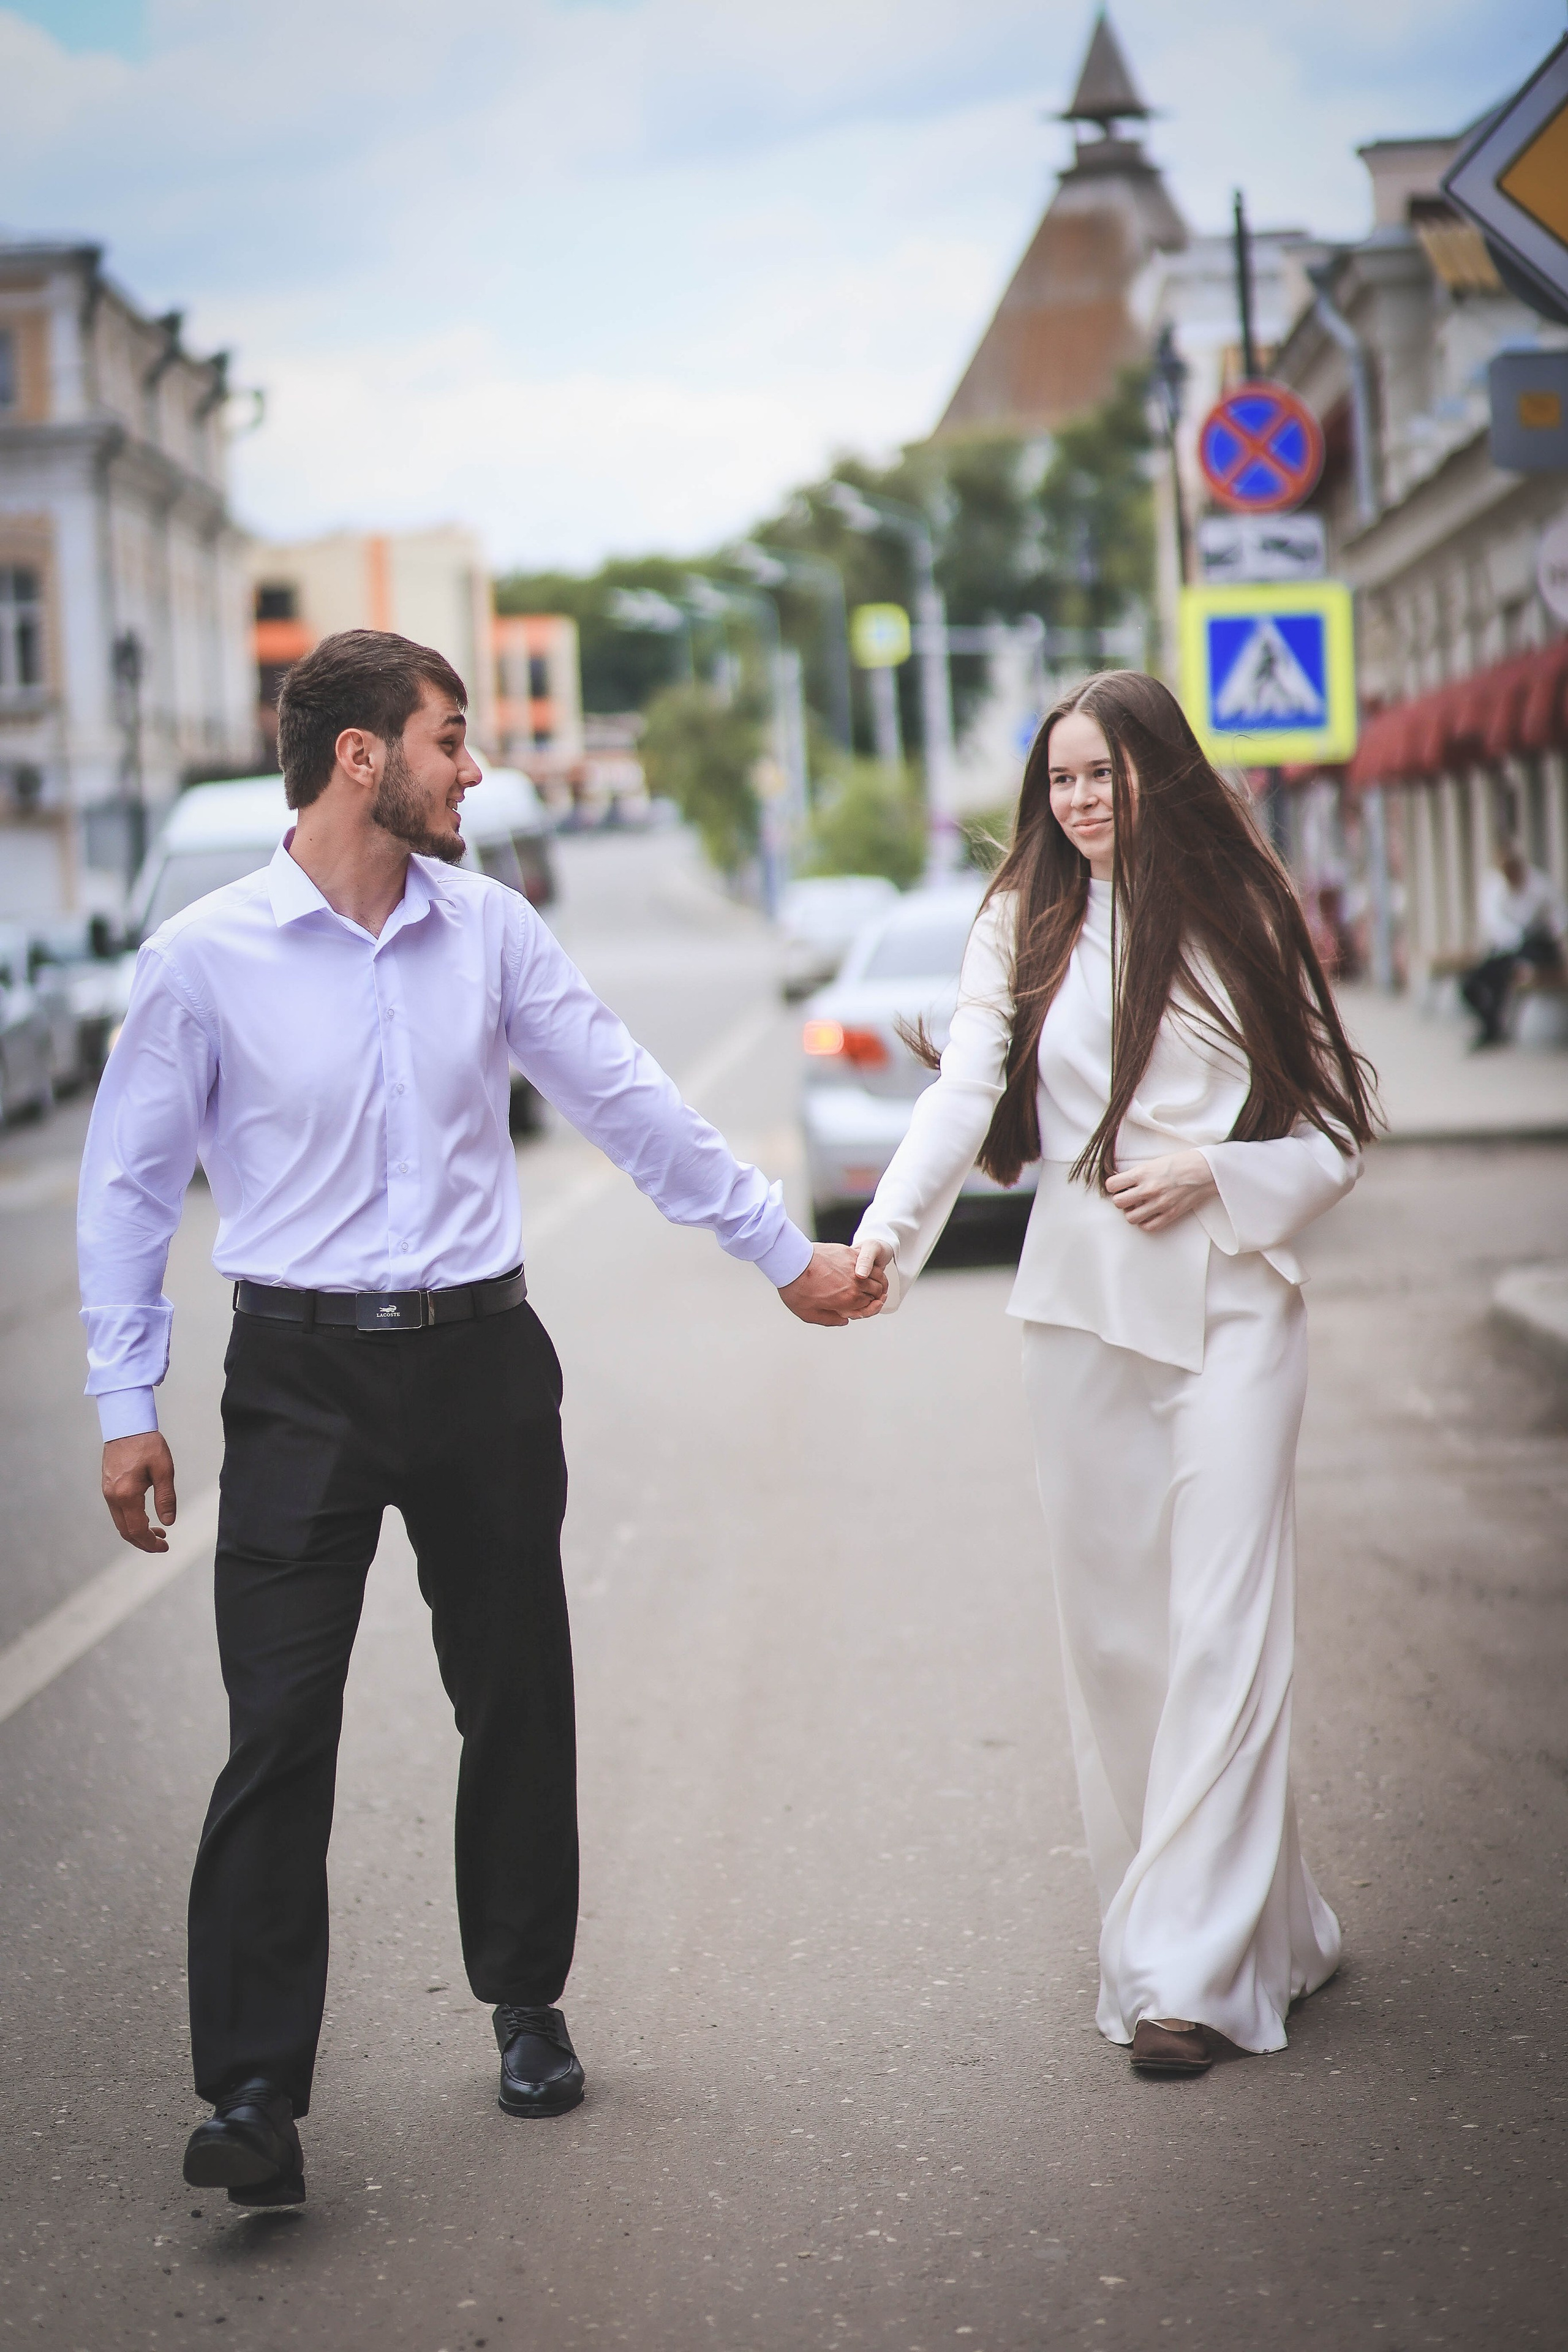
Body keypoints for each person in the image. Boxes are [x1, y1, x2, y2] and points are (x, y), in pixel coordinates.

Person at [78, 629, 885, 2207]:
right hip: (297, 1375)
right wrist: (128, 1399)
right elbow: (124, 1185)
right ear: (362, 756)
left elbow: (627, 1097)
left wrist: (783, 1255)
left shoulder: (491, 930)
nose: (475, 769)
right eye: (451, 739)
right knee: (278, 1730)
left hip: (480, 1360)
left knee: (514, 1687)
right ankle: (251, 2089)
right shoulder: (204, 957)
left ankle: (524, 2003)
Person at [852, 671, 1377, 2076]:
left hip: (1231, 1311)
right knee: (1116, 1645)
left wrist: (1217, 1166)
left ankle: (1186, 1982)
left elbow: (1334, 1131)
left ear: (1158, 773)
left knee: (1221, 1626)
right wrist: (877, 1242)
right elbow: (962, 1094)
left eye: (1103, 773)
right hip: (1078, 1314)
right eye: (1061, 781)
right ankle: (1252, 1922)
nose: (1081, 802)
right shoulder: (1020, 925)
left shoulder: (1246, 918)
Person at [1459, 843, 1566, 1047]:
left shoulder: (1539, 885)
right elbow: (1494, 924)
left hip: (1536, 946)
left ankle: (1497, 1030)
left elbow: (1559, 918)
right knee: (1472, 985)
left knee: (1504, 983)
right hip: (1505, 950)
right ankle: (1491, 1026)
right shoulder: (1495, 888)